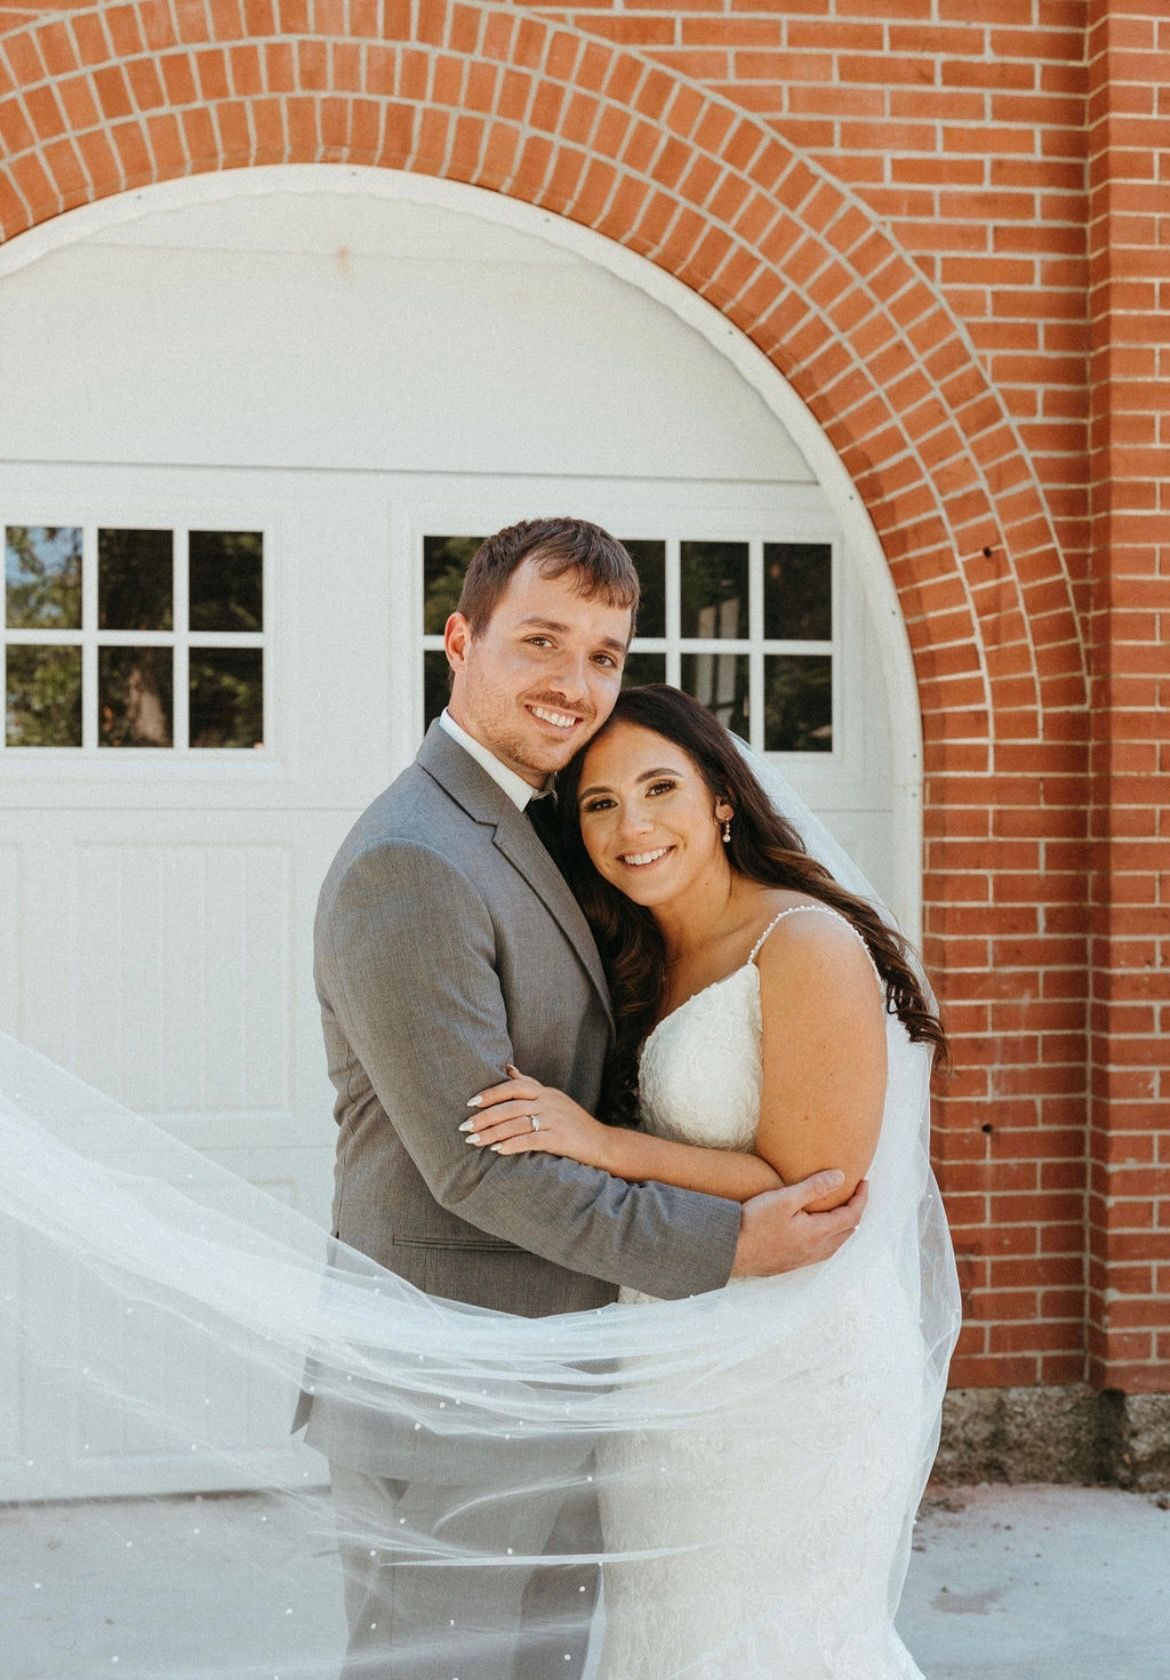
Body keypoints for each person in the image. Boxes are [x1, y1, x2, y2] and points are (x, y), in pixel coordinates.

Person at [290, 520, 868, 1679]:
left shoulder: (546, 825)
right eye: (543, 642)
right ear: (460, 640)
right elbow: (477, 1165)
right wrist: (727, 1246)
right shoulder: (417, 859)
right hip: (450, 1389)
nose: (576, 684)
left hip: (566, 1373)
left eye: (605, 654)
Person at [462, 683, 954, 1679]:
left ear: (721, 797)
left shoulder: (803, 943)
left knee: (776, 1643)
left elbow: (817, 1180)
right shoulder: (633, 951)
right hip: (670, 1356)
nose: (633, 827)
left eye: (659, 788)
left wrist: (603, 1145)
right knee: (666, 1638)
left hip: (794, 1371)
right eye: (600, 804)